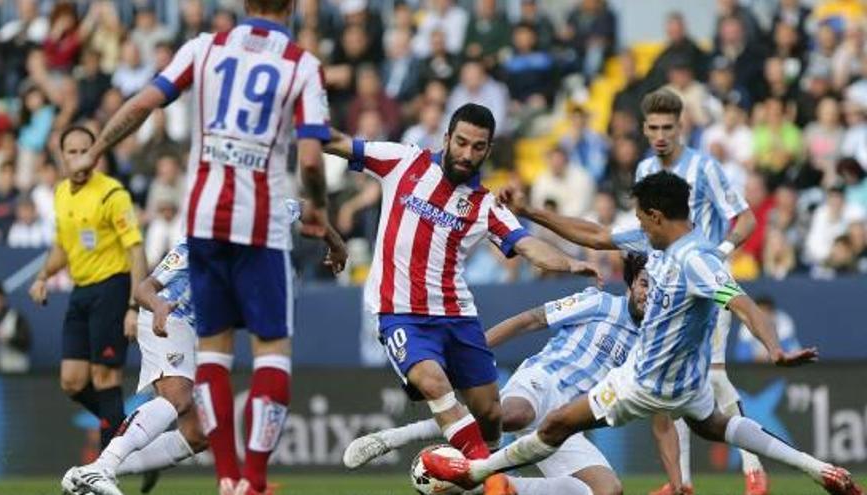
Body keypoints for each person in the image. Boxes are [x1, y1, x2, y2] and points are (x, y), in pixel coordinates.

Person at [422, 171, 861, 495]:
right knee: (718, 426)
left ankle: (475, 475)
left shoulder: (697, 260)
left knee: (555, 424)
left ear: (655, 216)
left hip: (645, 382)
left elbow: (743, 303)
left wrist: (775, 348)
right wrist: (530, 211)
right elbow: (594, 235)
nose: (638, 228)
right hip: (689, 383)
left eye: (641, 219)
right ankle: (818, 468)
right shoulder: (661, 240)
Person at [64, 1, 347, 494]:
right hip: (196, 292)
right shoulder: (301, 64)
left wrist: (95, 148)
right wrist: (152, 305)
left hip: (211, 217)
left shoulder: (203, 48)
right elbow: (311, 166)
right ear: (294, 8)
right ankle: (242, 481)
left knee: (197, 432)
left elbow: (139, 105)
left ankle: (95, 472)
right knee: (255, 362)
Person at [321, 103, 601, 492]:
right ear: (447, 138)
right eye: (462, 143)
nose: (467, 154)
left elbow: (527, 245)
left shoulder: (485, 204)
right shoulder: (403, 161)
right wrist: (298, 125)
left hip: (458, 317)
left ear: (487, 151)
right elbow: (337, 142)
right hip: (400, 314)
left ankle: (479, 469)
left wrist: (569, 264)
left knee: (490, 413)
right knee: (434, 383)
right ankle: (494, 481)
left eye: (478, 147)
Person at [343, 254, 674, 495]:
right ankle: (394, 438)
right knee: (514, 416)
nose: (649, 293)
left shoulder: (653, 348)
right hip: (543, 381)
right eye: (645, 282)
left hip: (570, 418)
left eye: (658, 288)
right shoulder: (599, 302)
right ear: (631, 282)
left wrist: (678, 481)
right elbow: (529, 320)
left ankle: (498, 488)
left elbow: (651, 414)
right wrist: (469, 355)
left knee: (608, 490)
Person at [632, 89, 765, 495]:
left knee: (714, 374)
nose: (660, 135)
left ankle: (754, 470)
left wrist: (720, 252)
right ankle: (682, 482)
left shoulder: (704, 168)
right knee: (672, 381)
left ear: (681, 126)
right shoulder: (642, 170)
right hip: (664, 290)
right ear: (644, 128)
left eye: (667, 127)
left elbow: (745, 218)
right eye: (653, 127)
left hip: (704, 286)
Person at [28, 126, 147, 452]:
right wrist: (41, 275)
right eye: (73, 152)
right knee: (72, 381)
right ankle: (134, 438)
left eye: (86, 151)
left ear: (96, 154)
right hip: (81, 291)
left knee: (105, 379)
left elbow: (136, 250)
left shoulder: (112, 194)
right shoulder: (61, 193)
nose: (80, 157)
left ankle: (108, 470)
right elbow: (62, 248)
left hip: (112, 287)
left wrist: (133, 306)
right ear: (63, 156)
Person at [62, 241, 208, 495]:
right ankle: (102, 467)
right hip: (168, 317)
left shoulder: (256, 234)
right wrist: (158, 304)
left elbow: (299, 211)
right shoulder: (194, 245)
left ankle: (87, 474)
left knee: (198, 434)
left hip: (201, 334)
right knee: (177, 399)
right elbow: (144, 289)